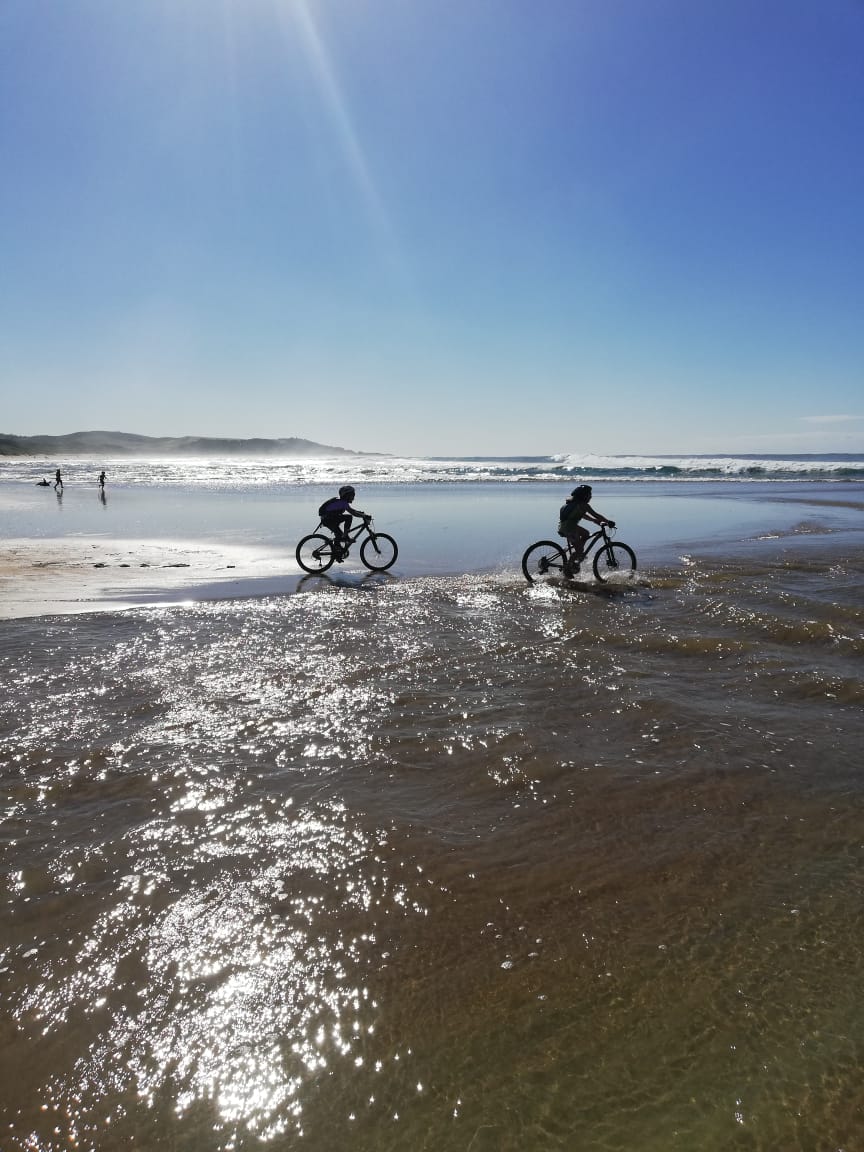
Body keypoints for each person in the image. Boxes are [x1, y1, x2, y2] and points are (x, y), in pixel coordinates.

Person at [558, 484, 615, 561]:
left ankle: (578, 551)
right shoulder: (584, 505)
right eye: (589, 494)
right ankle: (568, 567)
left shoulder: (572, 504)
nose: (591, 496)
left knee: (586, 533)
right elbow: (596, 515)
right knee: (579, 551)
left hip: (565, 526)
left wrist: (594, 521)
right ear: (583, 496)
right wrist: (608, 521)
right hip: (569, 529)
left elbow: (582, 515)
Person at [318, 485, 370, 561]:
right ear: (346, 495)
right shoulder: (342, 503)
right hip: (328, 519)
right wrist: (363, 516)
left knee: (339, 535)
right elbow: (353, 513)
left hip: (328, 519)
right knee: (348, 517)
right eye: (352, 495)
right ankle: (345, 536)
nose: (353, 497)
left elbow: (352, 510)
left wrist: (361, 514)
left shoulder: (342, 502)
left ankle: (337, 553)